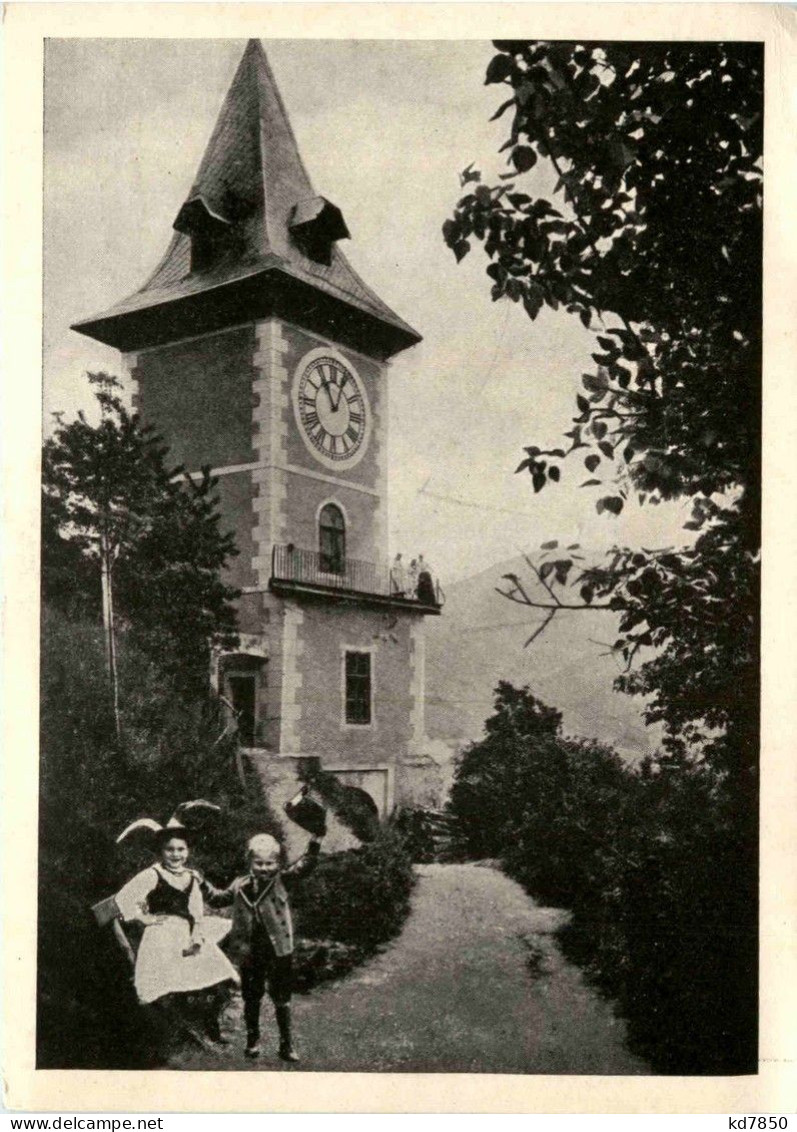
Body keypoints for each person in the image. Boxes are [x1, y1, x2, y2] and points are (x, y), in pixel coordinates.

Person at [201, 831, 323, 1062]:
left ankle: (286, 1045)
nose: (264, 868)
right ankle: (252, 1041)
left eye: (270, 863)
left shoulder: (283, 880)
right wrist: (200, 883)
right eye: (259, 863)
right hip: (249, 951)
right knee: (251, 997)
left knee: (281, 997)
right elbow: (218, 898)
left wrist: (316, 841)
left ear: (278, 864)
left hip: (278, 950)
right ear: (249, 863)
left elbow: (305, 866)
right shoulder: (240, 884)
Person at [114, 826, 239, 1040]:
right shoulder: (152, 874)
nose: (175, 854)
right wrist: (145, 918)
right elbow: (123, 898)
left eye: (181, 849)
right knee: (169, 981)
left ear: (188, 851)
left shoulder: (191, 877)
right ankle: (177, 1031)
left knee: (222, 975)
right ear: (161, 852)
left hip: (185, 932)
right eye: (169, 849)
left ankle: (209, 1023)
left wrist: (197, 937)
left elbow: (197, 912)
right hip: (161, 936)